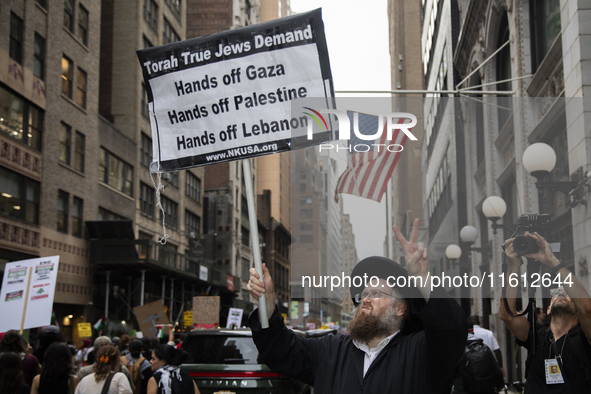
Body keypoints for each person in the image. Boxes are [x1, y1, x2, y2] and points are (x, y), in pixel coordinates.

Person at [247, 218, 467, 393]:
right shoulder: (330, 351)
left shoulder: (422, 353)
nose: (366, 299)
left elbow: (450, 328)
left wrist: (421, 279)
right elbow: (281, 351)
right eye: (364, 294)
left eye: (376, 294)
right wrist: (267, 305)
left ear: (401, 308)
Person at [501, 232, 591, 392]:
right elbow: (508, 315)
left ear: (577, 310)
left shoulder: (584, 339)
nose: (561, 293)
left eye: (568, 294)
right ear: (548, 308)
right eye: (556, 292)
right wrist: (514, 267)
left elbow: (587, 309)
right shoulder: (537, 335)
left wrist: (553, 262)